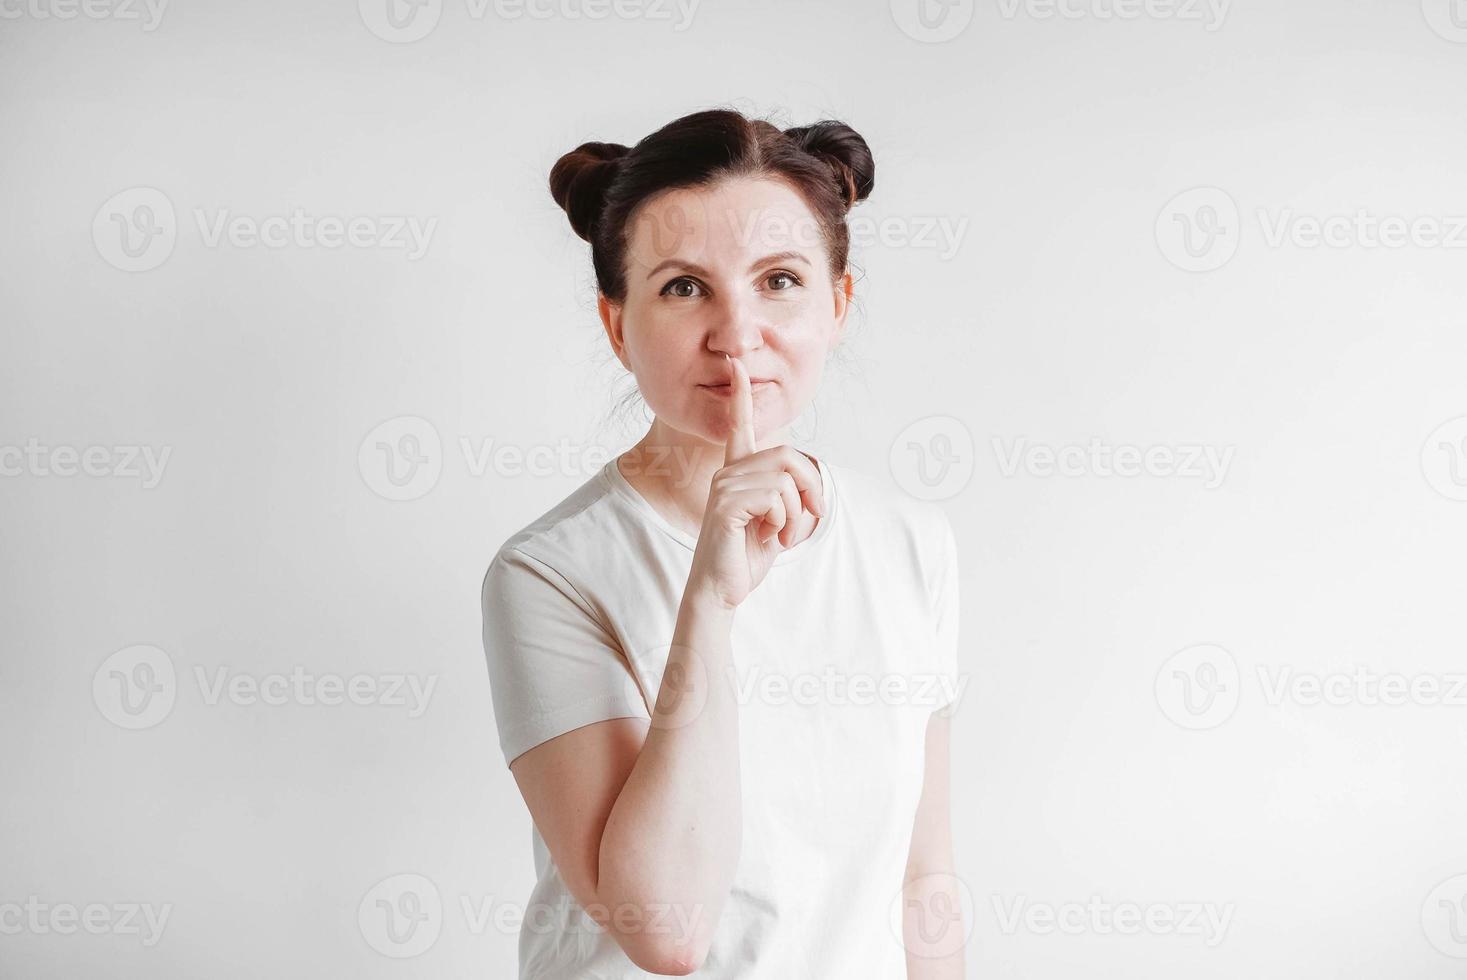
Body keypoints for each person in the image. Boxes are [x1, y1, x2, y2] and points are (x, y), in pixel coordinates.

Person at [481, 107, 965, 978]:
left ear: (838, 303)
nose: (737, 333)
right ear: (616, 324)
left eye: (779, 280)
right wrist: (709, 598)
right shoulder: (550, 571)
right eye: (682, 287)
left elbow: (922, 880)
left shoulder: (907, 541)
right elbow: (663, 931)